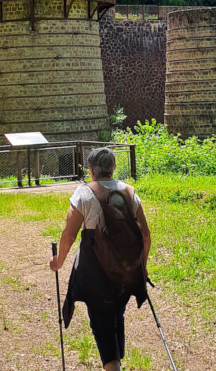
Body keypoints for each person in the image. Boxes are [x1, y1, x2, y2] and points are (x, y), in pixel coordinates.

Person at [50, 148, 151, 371]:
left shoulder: (84, 194)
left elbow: (69, 234)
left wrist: (58, 262)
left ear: (91, 170)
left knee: (103, 324)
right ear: (113, 168)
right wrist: (139, 267)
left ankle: (113, 363)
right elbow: (145, 235)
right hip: (124, 275)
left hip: (96, 278)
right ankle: (116, 357)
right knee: (115, 313)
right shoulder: (129, 192)